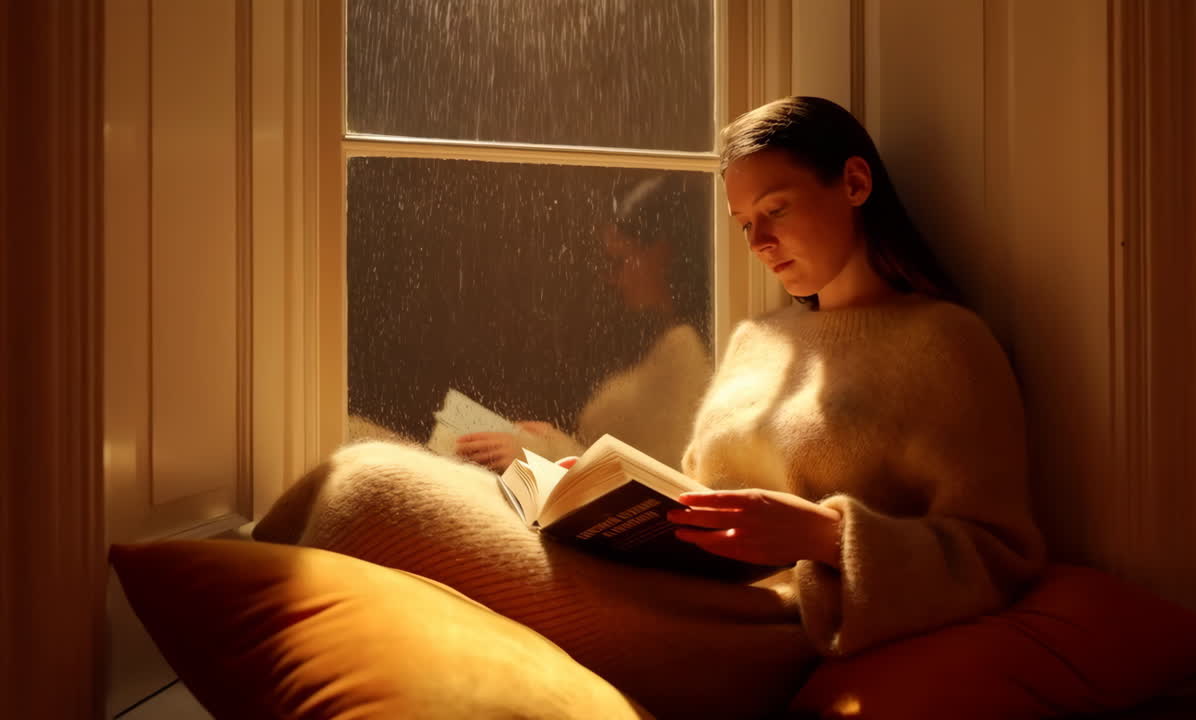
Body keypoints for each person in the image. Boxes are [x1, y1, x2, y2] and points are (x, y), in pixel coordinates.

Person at [254, 96, 1045, 720]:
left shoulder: (947, 345)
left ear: (855, 183)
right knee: (357, 467)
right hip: (687, 588)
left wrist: (825, 535)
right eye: (743, 224)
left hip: (768, 632)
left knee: (370, 499)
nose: (759, 242)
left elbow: (997, 553)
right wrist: (588, 483)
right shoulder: (761, 340)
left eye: (775, 209)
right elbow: (701, 494)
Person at [455, 175, 713, 471]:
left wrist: (544, 451)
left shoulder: (686, 351)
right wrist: (550, 441)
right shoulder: (662, 340)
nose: (611, 279)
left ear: (660, 255)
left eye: (619, 261)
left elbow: (653, 479)